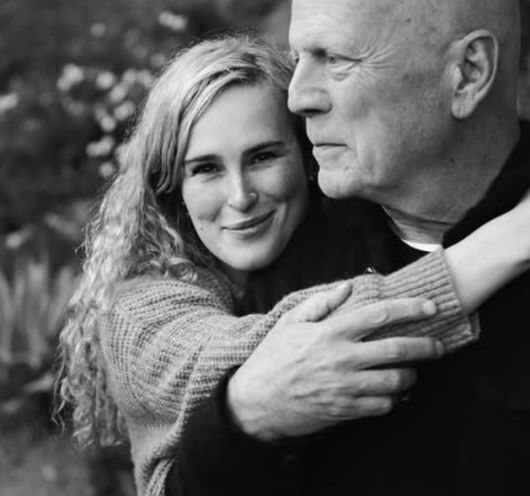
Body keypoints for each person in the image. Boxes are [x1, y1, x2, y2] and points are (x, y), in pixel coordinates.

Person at [55, 34, 529, 496]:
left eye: (263, 157)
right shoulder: (139, 312)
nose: (241, 196)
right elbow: (295, 352)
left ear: (306, 157)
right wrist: (513, 238)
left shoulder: (341, 237)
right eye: (206, 169)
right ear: (170, 188)